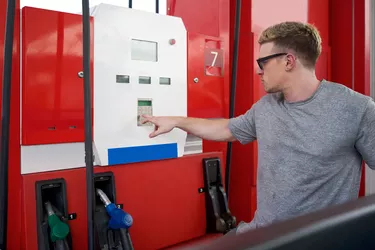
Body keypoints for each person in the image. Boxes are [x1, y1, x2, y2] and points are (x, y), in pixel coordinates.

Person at [141, 21, 375, 234]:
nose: (258, 70)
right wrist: (177, 121)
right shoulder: (266, 107)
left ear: (288, 61)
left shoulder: (356, 109)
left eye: (263, 62)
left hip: (317, 241)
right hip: (262, 235)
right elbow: (226, 130)